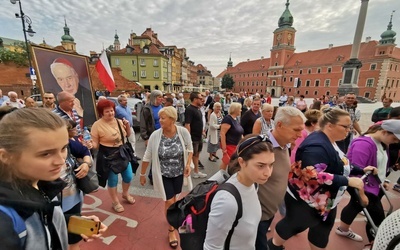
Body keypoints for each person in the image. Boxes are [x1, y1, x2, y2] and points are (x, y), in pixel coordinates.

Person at [0, 108, 106, 249]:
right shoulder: (5, 221)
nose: (60, 160)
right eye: (45, 154)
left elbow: (43, 220)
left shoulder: (44, 184)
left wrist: (71, 224)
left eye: (63, 148)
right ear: (6, 157)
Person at [269, 108, 373, 250]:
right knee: (293, 225)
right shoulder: (317, 146)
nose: (349, 130)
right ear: (329, 125)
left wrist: (361, 169)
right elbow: (311, 174)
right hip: (306, 200)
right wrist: (347, 181)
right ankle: (274, 245)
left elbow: (340, 163)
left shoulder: (331, 141)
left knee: (321, 231)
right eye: (345, 126)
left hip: (326, 201)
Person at [336, 120, 400, 248]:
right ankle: (374, 243)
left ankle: (343, 229)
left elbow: (380, 165)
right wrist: (362, 194)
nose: (396, 142)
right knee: (377, 216)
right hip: (363, 186)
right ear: (384, 132)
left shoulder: (382, 143)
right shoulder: (363, 145)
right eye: (395, 138)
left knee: (355, 206)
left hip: (373, 184)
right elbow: (357, 172)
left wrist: (381, 180)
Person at [204, 134, 275, 250]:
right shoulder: (227, 201)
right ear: (242, 162)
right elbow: (211, 247)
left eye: (271, 165)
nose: (268, 173)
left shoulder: (254, 183)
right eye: (260, 165)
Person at [140, 107, 193, 249]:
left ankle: (172, 216)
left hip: (179, 173)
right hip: (163, 174)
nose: (160, 120)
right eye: (160, 118)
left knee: (176, 198)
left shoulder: (182, 132)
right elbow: (147, 155)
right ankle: (171, 231)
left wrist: (188, 164)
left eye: (163, 118)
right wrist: (142, 174)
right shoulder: (156, 135)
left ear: (172, 119)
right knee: (169, 201)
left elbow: (189, 148)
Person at [255, 107, 306, 250]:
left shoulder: (285, 146)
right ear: (279, 125)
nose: (300, 134)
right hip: (257, 216)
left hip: (270, 212)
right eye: (296, 129)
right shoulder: (261, 147)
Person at [90, 99, 134, 213]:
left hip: (122, 152)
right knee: (113, 180)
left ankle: (125, 193)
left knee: (128, 176)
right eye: (107, 111)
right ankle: (115, 201)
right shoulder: (97, 125)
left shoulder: (119, 121)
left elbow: (127, 135)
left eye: (112, 110)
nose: (111, 113)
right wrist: (89, 144)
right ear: (101, 113)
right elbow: (95, 144)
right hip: (108, 154)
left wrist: (127, 126)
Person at [63, 119, 94, 249]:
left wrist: (86, 164)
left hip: (72, 197)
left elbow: (85, 152)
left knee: (74, 237)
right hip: (54, 201)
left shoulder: (69, 143)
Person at [50, 57, 96, 126]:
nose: (67, 84)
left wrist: (81, 112)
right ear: (57, 81)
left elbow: (94, 121)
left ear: (76, 76)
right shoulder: (57, 99)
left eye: (69, 78)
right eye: (61, 79)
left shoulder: (88, 95)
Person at [140, 90, 164, 184]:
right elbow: (143, 124)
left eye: (162, 97)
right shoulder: (147, 109)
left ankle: (159, 174)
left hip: (162, 134)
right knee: (154, 156)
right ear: (154, 98)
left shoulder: (161, 107)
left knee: (161, 155)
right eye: (159, 97)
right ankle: (151, 176)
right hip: (152, 135)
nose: (161, 99)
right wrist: (145, 137)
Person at [185, 92, 207, 178]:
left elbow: (198, 122)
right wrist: (188, 138)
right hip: (193, 137)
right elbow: (187, 124)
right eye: (200, 98)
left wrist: (202, 131)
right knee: (192, 154)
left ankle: (196, 171)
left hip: (198, 136)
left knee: (197, 154)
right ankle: (191, 171)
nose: (202, 100)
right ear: (194, 99)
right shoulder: (190, 109)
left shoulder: (198, 109)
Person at [220, 103, 244, 171]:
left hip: (236, 144)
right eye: (239, 109)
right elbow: (222, 133)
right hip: (229, 144)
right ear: (235, 110)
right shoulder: (228, 119)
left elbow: (240, 132)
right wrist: (224, 148)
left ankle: (223, 176)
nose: (241, 110)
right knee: (228, 161)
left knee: (228, 162)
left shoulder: (236, 119)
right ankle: (221, 176)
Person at [115, 94, 137, 159]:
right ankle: (126, 156)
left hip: (130, 127)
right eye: (124, 100)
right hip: (122, 128)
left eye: (126, 100)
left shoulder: (128, 107)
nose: (126, 101)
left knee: (132, 141)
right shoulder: (117, 109)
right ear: (120, 102)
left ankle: (133, 155)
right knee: (124, 142)